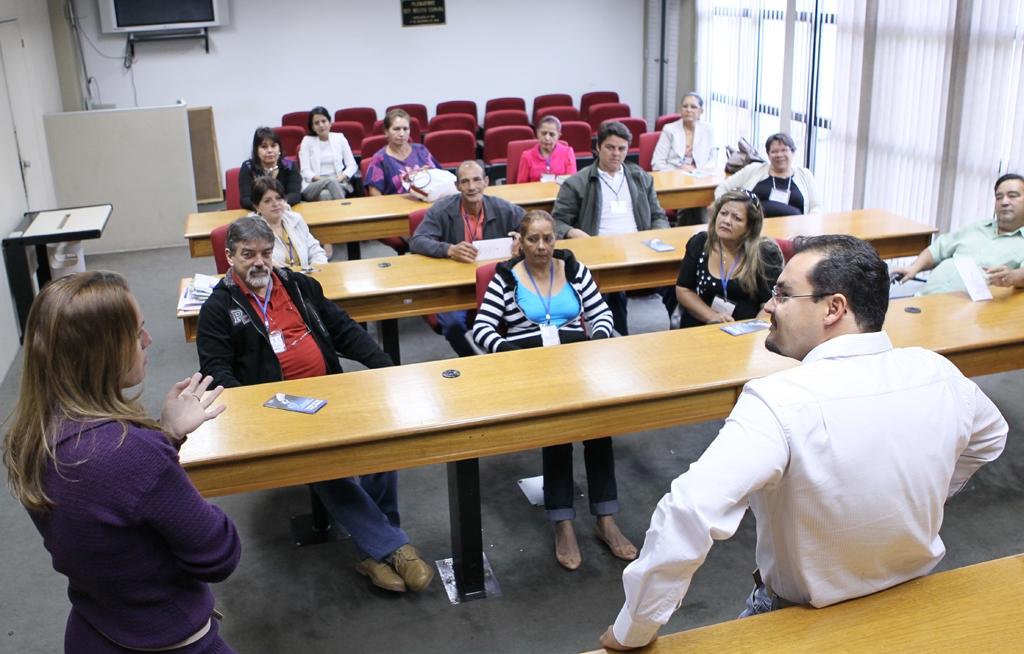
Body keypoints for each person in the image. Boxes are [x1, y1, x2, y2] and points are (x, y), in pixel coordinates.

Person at [599, 235, 1007, 650]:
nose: (770, 305)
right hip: (915, 602)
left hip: (801, 615)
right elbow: (991, 438)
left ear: (833, 308)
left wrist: (633, 629)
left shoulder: (779, 400)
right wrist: (925, 488)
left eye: (783, 293)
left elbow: (689, 510)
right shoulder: (937, 372)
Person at [2, 271, 241, 653]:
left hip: (96, 628)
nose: (148, 340)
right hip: (170, 640)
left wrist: (166, 435)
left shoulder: (29, 436)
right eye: (136, 333)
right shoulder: (133, 455)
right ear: (103, 351)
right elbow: (219, 554)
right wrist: (161, 453)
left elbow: (111, 507)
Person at [196, 216, 434, 594]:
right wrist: (259, 407)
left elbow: (344, 330)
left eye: (265, 253)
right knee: (326, 463)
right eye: (247, 255)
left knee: (385, 443)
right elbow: (216, 370)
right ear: (229, 257)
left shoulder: (299, 286)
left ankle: (374, 551)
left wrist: (385, 368)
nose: (258, 263)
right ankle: (394, 548)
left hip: (332, 390)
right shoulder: (218, 309)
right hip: (277, 407)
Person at [471, 210, 635, 570]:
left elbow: (602, 315)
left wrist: (598, 343)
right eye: (533, 239)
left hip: (577, 363)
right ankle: (563, 522)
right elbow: (482, 329)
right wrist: (511, 355)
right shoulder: (505, 277)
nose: (541, 247)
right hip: (531, 369)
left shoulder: (575, 271)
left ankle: (605, 518)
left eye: (548, 239)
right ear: (521, 241)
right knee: (559, 430)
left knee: (598, 425)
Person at [552, 120, 672, 335]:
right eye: (610, 147)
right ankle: (615, 338)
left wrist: (656, 235)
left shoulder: (641, 178)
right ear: (598, 147)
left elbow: (658, 215)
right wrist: (572, 232)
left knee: (679, 276)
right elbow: (557, 222)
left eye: (622, 148)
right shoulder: (577, 183)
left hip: (639, 246)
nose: (616, 153)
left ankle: (679, 331)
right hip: (600, 249)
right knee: (613, 292)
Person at [410, 160, 526, 356]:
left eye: (476, 180)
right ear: (457, 186)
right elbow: (417, 240)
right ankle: (474, 359)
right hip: (455, 285)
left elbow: (536, 226)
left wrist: (524, 239)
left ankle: (508, 357)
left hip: (497, 283)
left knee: (523, 313)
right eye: (465, 182)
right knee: (452, 323)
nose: (471, 187)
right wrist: (449, 249)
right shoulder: (441, 209)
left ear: (486, 182)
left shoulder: (503, 208)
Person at [893, 173, 1024, 294]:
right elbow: (937, 250)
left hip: (974, 312)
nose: (1004, 202)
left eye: (1012, 196)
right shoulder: (976, 227)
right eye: (999, 197)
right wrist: (913, 268)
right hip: (925, 297)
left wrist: (1012, 277)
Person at [675, 190, 783, 327]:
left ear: (749, 227)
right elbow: (683, 289)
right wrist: (711, 316)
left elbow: (770, 304)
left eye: (736, 218)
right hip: (701, 325)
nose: (726, 221)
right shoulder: (700, 242)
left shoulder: (764, 253)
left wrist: (748, 331)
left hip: (746, 332)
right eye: (723, 213)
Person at [715, 133, 822, 217]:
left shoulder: (805, 175)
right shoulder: (754, 169)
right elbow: (723, 188)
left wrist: (808, 225)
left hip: (795, 234)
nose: (779, 155)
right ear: (768, 155)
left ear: (793, 152)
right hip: (754, 232)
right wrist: (729, 209)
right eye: (774, 151)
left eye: (784, 150)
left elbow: (816, 206)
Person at [248, 176, 327, 269]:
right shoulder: (251, 230)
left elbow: (316, 251)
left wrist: (315, 268)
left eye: (278, 198)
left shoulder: (295, 219)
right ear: (257, 206)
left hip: (306, 278)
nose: (275, 203)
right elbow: (256, 263)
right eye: (267, 201)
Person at [363, 108, 441, 196]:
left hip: (425, 203)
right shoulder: (379, 159)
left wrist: (430, 174)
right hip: (395, 207)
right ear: (386, 132)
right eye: (396, 129)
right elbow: (375, 195)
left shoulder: (421, 150)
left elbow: (440, 178)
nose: (402, 134)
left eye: (405, 129)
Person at [298, 106, 357, 202]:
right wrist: (327, 181)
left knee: (324, 195)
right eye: (317, 123)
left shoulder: (340, 138)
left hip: (339, 181)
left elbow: (352, 165)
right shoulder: (307, 141)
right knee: (330, 182)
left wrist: (340, 178)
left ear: (330, 123)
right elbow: (305, 171)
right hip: (314, 184)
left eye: (324, 121)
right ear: (312, 127)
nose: (321, 125)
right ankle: (345, 210)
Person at [239, 126, 301, 211]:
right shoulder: (248, 167)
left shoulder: (290, 166)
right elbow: (245, 199)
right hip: (258, 213)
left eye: (273, 146)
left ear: (279, 148)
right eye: (264, 147)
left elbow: (295, 194)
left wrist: (277, 205)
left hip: (285, 210)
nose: (269, 150)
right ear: (256, 150)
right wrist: (265, 207)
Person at [651, 92, 716, 172]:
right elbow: (657, 163)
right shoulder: (669, 129)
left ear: (701, 111)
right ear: (680, 110)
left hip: (700, 177)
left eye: (693, 107)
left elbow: (713, 160)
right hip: (673, 177)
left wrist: (699, 171)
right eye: (685, 106)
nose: (688, 110)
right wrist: (679, 171)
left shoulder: (708, 129)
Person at [516, 115, 578, 183]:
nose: (547, 138)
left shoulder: (568, 152)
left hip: (560, 193)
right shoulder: (527, 156)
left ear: (558, 135)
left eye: (552, 134)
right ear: (537, 133)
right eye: (543, 133)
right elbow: (521, 185)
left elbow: (571, 184)